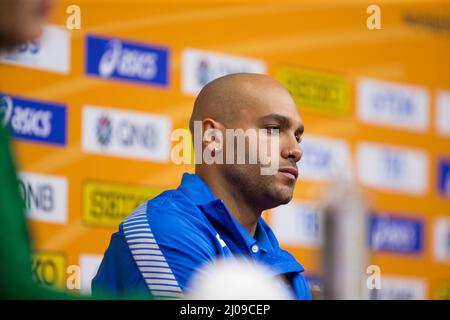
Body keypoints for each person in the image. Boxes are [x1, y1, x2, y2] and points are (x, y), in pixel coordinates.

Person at [93, 73, 312, 300]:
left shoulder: (286, 269)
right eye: (273, 129)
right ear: (212, 137)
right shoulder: (166, 230)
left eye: (298, 137)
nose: (296, 150)